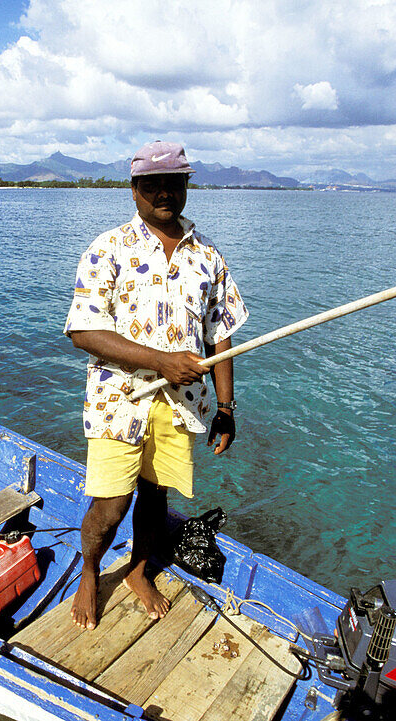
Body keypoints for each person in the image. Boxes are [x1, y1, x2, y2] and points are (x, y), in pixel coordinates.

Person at [63, 140, 249, 630]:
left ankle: (139, 571)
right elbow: (83, 330)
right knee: (111, 502)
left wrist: (226, 408)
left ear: (187, 186)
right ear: (134, 190)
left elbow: (220, 335)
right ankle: (89, 571)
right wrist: (160, 360)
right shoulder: (108, 249)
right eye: (153, 184)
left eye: (174, 182)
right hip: (117, 401)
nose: (164, 192)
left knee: (155, 494)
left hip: (182, 404)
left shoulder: (207, 255)